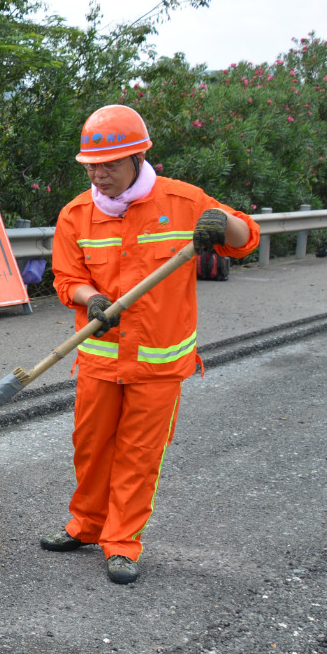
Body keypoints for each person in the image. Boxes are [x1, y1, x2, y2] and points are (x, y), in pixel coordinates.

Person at [45, 103, 259, 584]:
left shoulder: (183, 202)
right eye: (92, 167)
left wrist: (221, 223)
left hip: (159, 365)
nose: (100, 176)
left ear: (139, 157)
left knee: (139, 456)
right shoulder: (77, 215)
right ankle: (86, 526)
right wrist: (91, 297)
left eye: (111, 166)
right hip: (100, 360)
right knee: (91, 447)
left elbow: (246, 240)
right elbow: (66, 277)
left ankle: (121, 543)